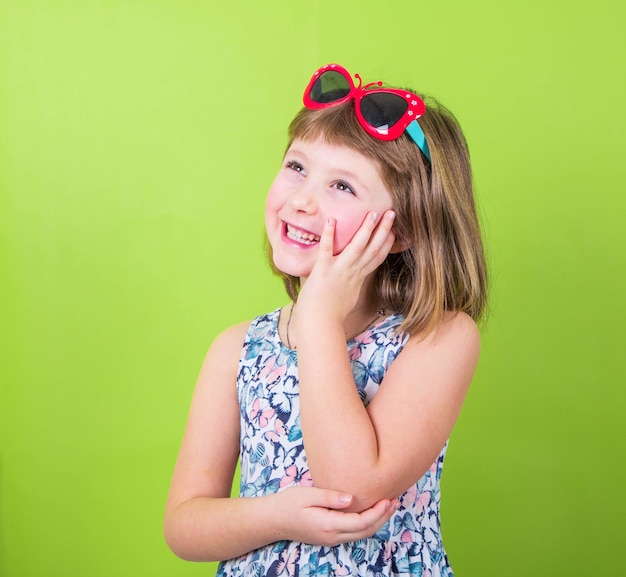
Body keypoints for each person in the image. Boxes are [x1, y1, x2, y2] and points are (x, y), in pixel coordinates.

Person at [164, 63, 488, 576]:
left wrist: (316, 314)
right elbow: (184, 525)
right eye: (296, 167)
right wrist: (276, 516)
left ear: (402, 231)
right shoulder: (236, 351)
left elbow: (351, 487)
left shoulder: (437, 338)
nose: (301, 200)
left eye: (342, 186)